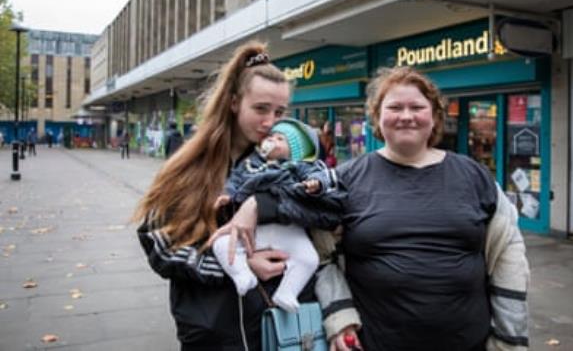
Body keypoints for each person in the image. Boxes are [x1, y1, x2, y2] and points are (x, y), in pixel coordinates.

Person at [221, 66, 530, 351]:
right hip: (375, 343)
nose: (406, 116)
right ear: (377, 117)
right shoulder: (346, 178)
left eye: (417, 107)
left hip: (469, 343)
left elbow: (508, 254)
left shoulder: (474, 176)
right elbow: (323, 255)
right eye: (394, 107)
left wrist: (509, 338)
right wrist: (339, 317)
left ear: (434, 116)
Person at [133, 41, 360, 351]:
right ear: (234, 102)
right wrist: (239, 265)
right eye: (261, 109)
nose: (270, 122)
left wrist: (261, 205)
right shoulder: (189, 168)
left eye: (279, 111)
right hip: (214, 334)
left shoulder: (291, 164)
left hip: (287, 332)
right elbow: (159, 245)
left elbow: (331, 212)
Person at [213, 117, 343, 313]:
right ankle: (241, 275)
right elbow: (234, 180)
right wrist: (227, 195)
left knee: (308, 259)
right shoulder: (251, 164)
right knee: (222, 244)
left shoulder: (297, 167)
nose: (272, 140)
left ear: (295, 150)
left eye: (280, 139)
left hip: (288, 231)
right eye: (271, 136)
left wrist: (315, 184)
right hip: (253, 232)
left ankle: (287, 292)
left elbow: (319, 177)